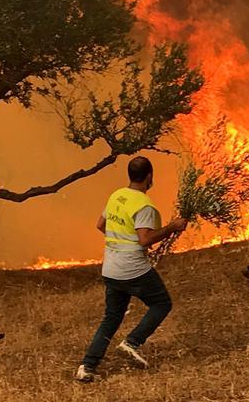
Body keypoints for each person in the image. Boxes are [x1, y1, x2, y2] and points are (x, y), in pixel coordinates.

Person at [75, 156, 187, 383]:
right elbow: (145, 239)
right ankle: (132, 342)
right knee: (162, 303)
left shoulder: (117, 195)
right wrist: (172, 227)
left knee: (112, 318)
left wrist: (119, 242)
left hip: (111, 268)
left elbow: (100, 225)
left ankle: (87, 366)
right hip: (132, 268)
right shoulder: (144, 205)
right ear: (149, 177)